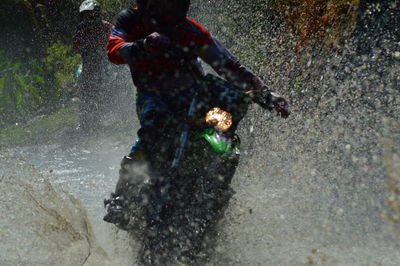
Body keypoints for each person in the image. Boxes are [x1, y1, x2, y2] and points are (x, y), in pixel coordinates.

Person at [104, 0, 290, 223]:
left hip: (196, 98)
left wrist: (266, 94)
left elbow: (229, 66)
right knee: (154, 127)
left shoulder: (189, 30)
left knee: (226, 129)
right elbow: (113, 49)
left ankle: (218, 192)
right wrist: (144, 45)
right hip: (153, 97)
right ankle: (122, 197)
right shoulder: (130, 21)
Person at [73, 0, 114, 133]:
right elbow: (76, 45)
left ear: (97, 13)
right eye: (85, 15)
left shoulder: (107, 27)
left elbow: (118, 39)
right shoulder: (81, 29)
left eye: (90, 15)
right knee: (86, 92)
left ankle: (122, 114)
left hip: (107, 63)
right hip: (89, 65)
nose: (88, 18)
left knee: (119, 80)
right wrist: (87, 48)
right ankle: (86, 122)